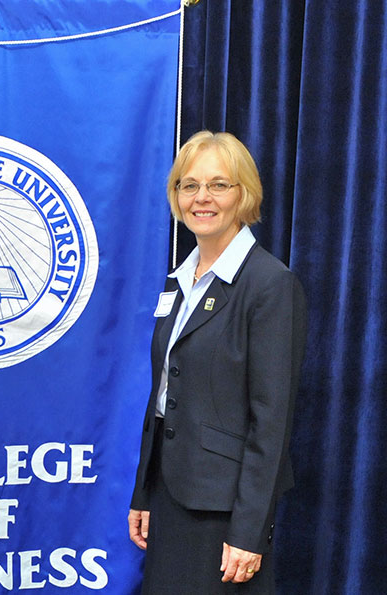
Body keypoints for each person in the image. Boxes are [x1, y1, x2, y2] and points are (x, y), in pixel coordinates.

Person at [127, 131, 307, 593]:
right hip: (171, 497)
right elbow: (164, 394)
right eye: (189, 185)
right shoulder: (180, 280)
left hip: (224, 512)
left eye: (218, 185)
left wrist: (250, 531)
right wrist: (144, 491)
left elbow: (272, 421)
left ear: (243, 194)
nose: (201, 198)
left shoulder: (269, 285)